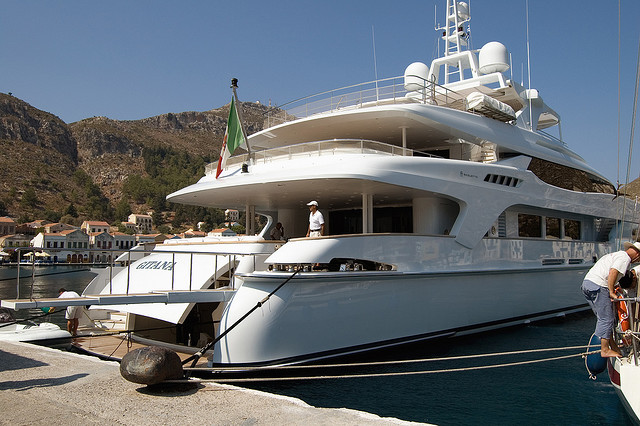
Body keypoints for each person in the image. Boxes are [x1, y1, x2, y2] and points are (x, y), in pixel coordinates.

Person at [581, 242, 640, 357]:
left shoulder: (615, 255)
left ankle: (613, 347)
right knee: (607, 319)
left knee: (604, 319)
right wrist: (611, 291)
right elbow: (613, 272)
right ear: (637, 254)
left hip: (588, 284)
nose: (637, 261)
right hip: (599, 286)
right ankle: (605, 350)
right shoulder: (625, 258)